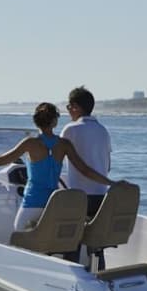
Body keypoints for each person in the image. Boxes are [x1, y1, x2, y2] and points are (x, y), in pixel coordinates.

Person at [0, 102, 117, 232]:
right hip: (53, 204)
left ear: (36, 121)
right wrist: (111, 183)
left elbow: (0, 161)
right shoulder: (64, 144)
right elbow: (85, 170)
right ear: (55, 122)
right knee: (47, 241)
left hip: (32, 202)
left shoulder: (30, 143)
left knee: (19, 237)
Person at [60, 86, 113, 216]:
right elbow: (108, 167)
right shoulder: (103, 130)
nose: (68, 111)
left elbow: (56, 159)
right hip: (101, 195)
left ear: (75, 107)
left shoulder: (70, 129)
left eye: (69, 107)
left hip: (80, 196)